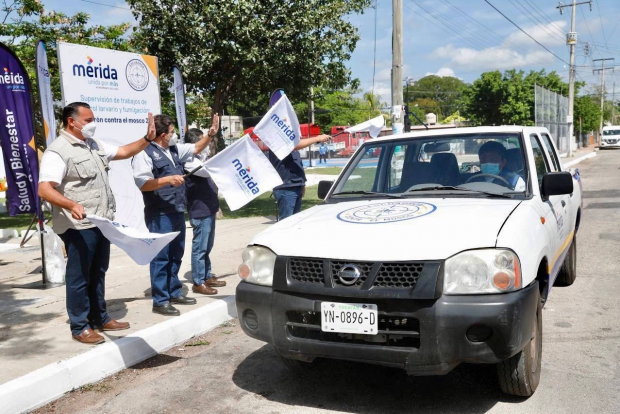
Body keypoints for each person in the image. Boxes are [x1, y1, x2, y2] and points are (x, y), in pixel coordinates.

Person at [38, 102, 157, 345]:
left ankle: (100, 318)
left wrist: (146, 138)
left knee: (98, 271)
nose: (93, 124)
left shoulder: (94, 145)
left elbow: (124, 151)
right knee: (79, 276)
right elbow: (44, 189)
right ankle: (80, 326)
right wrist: (71, 204)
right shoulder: (58, 151)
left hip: (101, 222)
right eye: (89, 119)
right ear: (72, 121)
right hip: (77, 225)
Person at [132, 114, 219, 316]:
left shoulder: (173, 149)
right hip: (159, 212)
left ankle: (174, 291)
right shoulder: (144, 153)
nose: (175, 135)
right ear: (163, 135)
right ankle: (160, 300)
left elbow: (196, 148)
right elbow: (143, 183)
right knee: (161, 256)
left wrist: (210, 134)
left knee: (176, 253)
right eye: (171, 132)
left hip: (177, 209)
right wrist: (167, 180)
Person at [183, 128, 226, 296]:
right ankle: (198, 281)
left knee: (207, 246)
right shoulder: (189, 161)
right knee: (200, 247)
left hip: (209, 208)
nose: (207, 145)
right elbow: (205, 170)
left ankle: (207, 275)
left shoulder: (201, 159)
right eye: (203, 141)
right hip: (199, 211)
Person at [268, 134, 330, 220]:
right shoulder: (278, 143)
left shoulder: (293, 149)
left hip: (296, 186)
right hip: (286, 189)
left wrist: (302, 184)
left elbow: (298, 165)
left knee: (295, 221)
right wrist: (317, 138)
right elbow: (295, 146)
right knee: (286, 222)